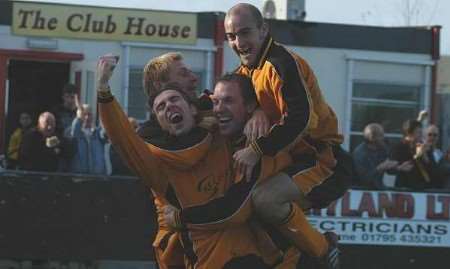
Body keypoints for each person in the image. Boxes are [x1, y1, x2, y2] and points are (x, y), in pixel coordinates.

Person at [97, 56, 296, 268]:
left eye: (174, 100)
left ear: (192, 109)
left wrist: (257, 111)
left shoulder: (217, 127)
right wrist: (103, 90)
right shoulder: (155, 157)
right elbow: (123, 138)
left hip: (249, 250)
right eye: (183, 74)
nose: (193, 78)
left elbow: (242, 91)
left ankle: (319, 248)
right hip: (202, 257)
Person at [224, 3, 351, 266]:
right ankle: (305, 254)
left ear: (264, 30)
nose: (238, 42)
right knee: (248, 209)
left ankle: (323, 250)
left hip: (324, 160)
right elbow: (224, 103)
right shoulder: (245, 72)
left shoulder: (281, 62)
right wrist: (256, 109)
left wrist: (255, 149)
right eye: (231, 37)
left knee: (265, 200)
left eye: (245, 33)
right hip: (292, 160)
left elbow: (300, 118)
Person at [390, 119, 440, 190]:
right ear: (409, 134)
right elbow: (390, 170)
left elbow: (435, 170)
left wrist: (425, 157)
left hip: (424, 188)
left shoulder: (425, 147)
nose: (422, 135)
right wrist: (400, 168)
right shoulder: (399, 147)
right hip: (404, 187)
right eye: (419, 132)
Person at [352, 123, 398, 189]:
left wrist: (398, 167)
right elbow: (363, 179)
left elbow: (390, 171)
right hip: (361, 190)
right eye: (381, 135)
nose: (383, 138)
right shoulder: (359, 153)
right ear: (371, 137)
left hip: (379, 189)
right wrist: (379, 168)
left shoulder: (383, 149)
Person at [68, 98, 107, 175]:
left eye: (89, 114)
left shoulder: (97, 133)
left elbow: (105, 135)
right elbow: (74, 133)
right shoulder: (73, 132)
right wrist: (79, 119)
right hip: (79, 177)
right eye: (84, 114)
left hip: (97, 178)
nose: (87, 117)